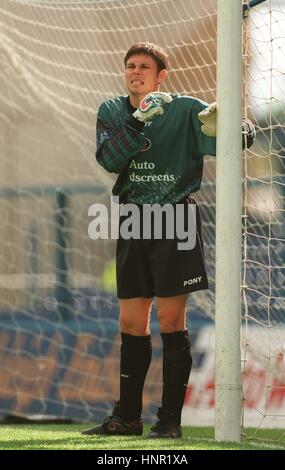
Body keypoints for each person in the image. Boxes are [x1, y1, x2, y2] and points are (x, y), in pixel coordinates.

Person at [82, 42, 255, 439]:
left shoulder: (186, 109)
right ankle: (126, 418)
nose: (136, 72)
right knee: (130, 320)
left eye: (145, 66)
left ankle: (169, 421)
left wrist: (235, 126)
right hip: (132, 220)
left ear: (162, 76)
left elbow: (236, 141)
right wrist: (139, 120)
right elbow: (109, 160)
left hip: (175, 217)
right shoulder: (112, 111)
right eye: (130, 66)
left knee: (171, 319)